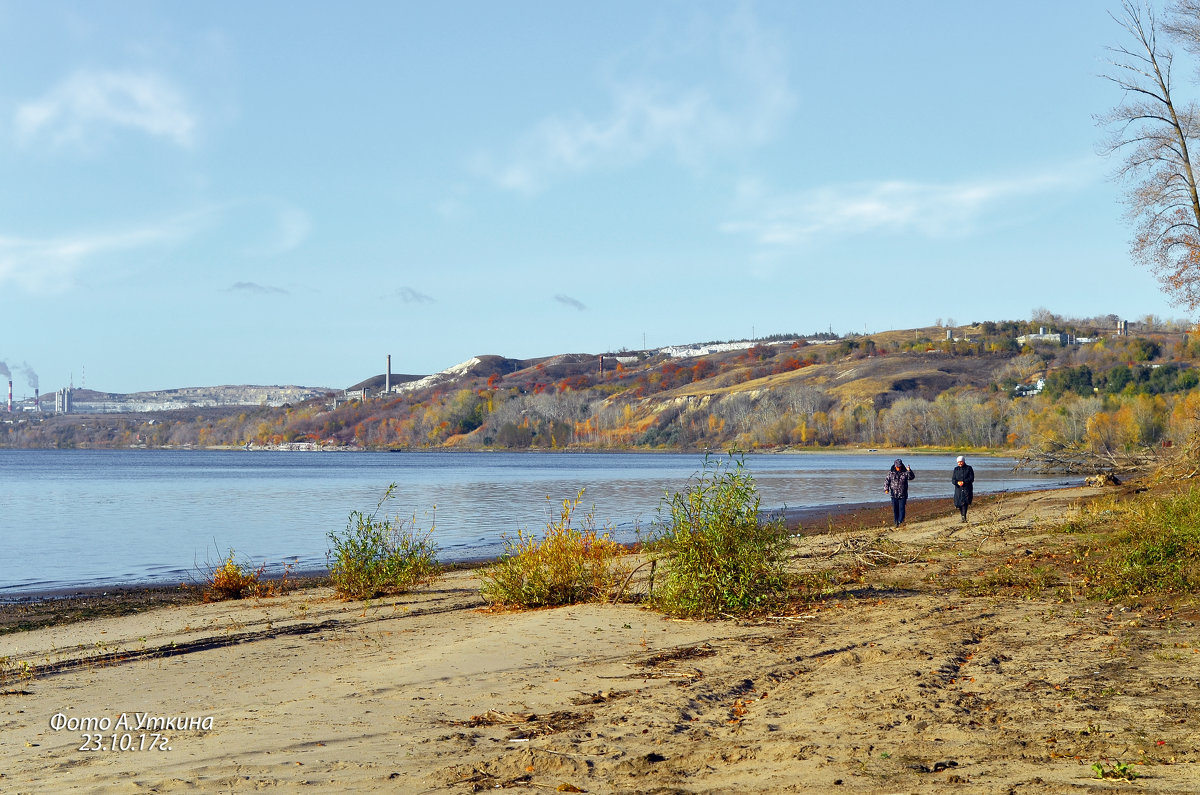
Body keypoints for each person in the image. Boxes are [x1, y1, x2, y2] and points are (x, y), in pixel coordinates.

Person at [884, 458, 915, 528]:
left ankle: (901, 522)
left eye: (900, 466)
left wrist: (909, 470)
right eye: (897, 467)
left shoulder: (905, 472)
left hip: (903, 494)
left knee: (901, 509)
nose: (899, 468)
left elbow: (912, 477)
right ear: (895, 465)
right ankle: (896, 523)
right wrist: (886, 489)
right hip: (893, 494)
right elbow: (886, 481)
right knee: (895, 509)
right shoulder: (891, 472)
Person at [952, 454, 975, 523]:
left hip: (967, 488)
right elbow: (953, 480)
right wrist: (957, 482)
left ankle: (964, 517)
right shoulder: (956, 469)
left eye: (961, 462)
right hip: (958, 489)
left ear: (963, 461)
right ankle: (962, 516)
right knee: (958, 503)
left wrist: (964, 482)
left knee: (965, 502)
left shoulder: (969, 468)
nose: (960, 463)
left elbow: (971, 478)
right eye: (958, 462)